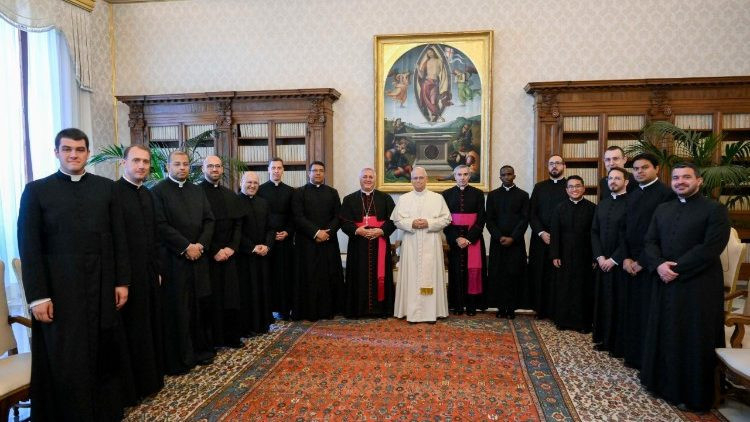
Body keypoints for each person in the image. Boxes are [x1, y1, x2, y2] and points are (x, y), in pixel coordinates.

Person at [18, 128, 132, 420]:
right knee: (66, 356)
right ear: (56, 152)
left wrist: (122, 281)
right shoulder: (36, 191)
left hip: (101, 286)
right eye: (67, 149)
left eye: (80, 149)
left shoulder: (106, 189)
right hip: (59, 291)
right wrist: (38, 296)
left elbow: (119, 237)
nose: (73, 155)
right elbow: (29, 246)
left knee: (103, 350)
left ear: (88, 153)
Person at [640, 163, 730, 412]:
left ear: (699, 181)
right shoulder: (663, 209)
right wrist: (659, 265)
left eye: (686, 177)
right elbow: (650, 241)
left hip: (697, 285)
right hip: (664, 281)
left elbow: (711, 247)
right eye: (676, 178)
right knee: (665, 331)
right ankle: (662, 384)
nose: (680, 181)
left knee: (692, 336)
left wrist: (675, 269)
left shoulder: (715, 209)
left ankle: (693, 394)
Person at [151, 150, 215, 374]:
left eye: (185, 164)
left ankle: (202, 351)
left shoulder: (197, 191)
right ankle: (182, 358)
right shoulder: (157, 191)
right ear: (168, 166)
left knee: (200, 306)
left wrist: (200, 245)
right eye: (177, 164)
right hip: (174, 260)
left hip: (199, 259)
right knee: (179, 309)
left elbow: (209, 220)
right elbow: (160, 225)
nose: (182, 168)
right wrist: (186, 247)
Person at [115, 144, 164, 400]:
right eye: (136, 161)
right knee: (132, 330)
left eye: (145, 161)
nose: (142, 166)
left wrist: (157, 269)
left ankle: (150, 381)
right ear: (124, 163)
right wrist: (120, 279)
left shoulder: (148, 194)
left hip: (148, 272)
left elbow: (155, 236)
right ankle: (131, 389)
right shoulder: (113, 194)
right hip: (125, 277)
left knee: (149, 326)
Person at [621, 153, 674, 369]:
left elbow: (663, 235)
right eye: (636, 169)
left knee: (648, 313)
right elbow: (624, 229)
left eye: (645, 167)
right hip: (630, 262)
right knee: (632, 311)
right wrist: (626, 257)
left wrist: (642, 261)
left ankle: (647, 359)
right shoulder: (632, 194)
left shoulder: (666, 194)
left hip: (651, 264)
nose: (640, 172)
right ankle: (633, 356)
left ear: (657, 169)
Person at [391, 167, 452, 323]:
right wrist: (411, 223)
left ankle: (431, 313)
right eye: (415, 178)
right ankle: (410, 312)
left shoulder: (437, 198)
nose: (418, 181)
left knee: (431, 275)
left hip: (431, 242)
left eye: (421, 178)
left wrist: (428, 223)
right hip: (410, 243)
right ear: (411, 180)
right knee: (411, 276)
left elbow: (446, 219)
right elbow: (396, 220)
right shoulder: (404, 199)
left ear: (426, 179)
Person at [198, 156, 243, 348]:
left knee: (231, 297)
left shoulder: (230, 195)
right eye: (210, 166)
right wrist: (215, 250)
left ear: (222, 170)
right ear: (203, 169)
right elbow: (199, 227)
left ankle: (231, 337)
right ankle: (213, 340)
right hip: (209, 256)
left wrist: (232, 247)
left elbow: (238, 225)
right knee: (212, 298)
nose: (214, 169)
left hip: (229, 254)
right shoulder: (196, 193)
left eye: (217, 166)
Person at [291, 161, 344, 321]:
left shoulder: (332, 192)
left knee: (328, 276)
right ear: (309, 173)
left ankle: (329, 310)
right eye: (315, 170)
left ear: (324, 173)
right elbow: (298, 217)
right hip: (307, 242)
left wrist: (327, 233)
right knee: (308, 276)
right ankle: (308, 311)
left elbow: (338, 216)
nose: (318, 173)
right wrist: (316, 232)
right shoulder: (299, 193)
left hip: (328, 241)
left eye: (321, 170)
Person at [340, 168, 397, 318]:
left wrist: (381, 231)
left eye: (371, 177)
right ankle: (358, 310)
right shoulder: (349, 199)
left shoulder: (385, 198)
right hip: (358, 245)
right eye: (364, 176)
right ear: (360, 179)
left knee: (380, 274)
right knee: (358, 275)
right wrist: (357, 230)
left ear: (375, 179)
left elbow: (394, 220)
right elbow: (344, 222)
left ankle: (381, 310)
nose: (368, 179)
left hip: (380, 243)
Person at [550, 175, 596, 332]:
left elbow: (595, 234)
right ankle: (563, 321)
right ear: (566, 190)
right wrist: (555, 255)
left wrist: (594, 257)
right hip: (564, 255)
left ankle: (583, 323)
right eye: (571, 186)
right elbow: (555, 233)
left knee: (582, 289)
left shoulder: (592, 208)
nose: (574, 189)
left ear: (583, 188)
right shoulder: (559, 208)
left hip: (585, 255)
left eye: (577, 186)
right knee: (564, 288)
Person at [591, 167, 629, 355]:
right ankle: (604, 339)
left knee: (619, 303)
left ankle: (618, 344)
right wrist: (599, 257)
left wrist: (614, 259)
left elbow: (631, 236)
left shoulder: (632, 203)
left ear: (626, 181)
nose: (613, 181)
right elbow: (594, 232)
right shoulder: (602, 204)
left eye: (617, 178)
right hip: (602, 262)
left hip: (620, 264)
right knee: (604, 302)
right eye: (610, 178)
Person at [485, 165, 529, 319]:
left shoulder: (523, 195)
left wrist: (513, 237)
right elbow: (489, 219)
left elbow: (524, 219)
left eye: (509, 174)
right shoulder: (493, 195)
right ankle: (500, 307)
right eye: (503, 175)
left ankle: (511, 308)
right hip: (498, 242)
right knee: (498, 274)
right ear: (500, 177)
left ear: (514, 176)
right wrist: (499, 236)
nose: (506, 177)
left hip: (516, 243)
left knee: (514, 274)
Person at [527, 155, 568, 318]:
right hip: (541, 239)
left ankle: (558, 310)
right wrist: (542, 233)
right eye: (551, 164)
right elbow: (532, 213)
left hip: (563, 240)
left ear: (564, 166)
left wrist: (557, 236)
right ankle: (540, 309)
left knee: (559, 275)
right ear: (547, 166)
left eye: (558, 163)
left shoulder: (570, 186)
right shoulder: (539, 187)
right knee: (540, 274)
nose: (554, 166)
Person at [442, 165, 486, 316]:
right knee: (456, 272)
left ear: (469, 176)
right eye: (459, 174)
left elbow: (481, 219)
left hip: (473, 240)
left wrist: (468, 238)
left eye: (465, 174)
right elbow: (445, 220)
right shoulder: (446, 194)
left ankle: (472, 306)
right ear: (454, 176)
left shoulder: (478, 194)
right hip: (455, 241)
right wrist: (457, 238)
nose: (462, 177)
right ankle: (457, 305)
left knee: (472, 273)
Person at [256, 158, 296, 320]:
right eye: (273, 168)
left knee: (285, 276)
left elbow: (294, 216)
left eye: (279, 168)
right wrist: (270, 235)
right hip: (266, 239)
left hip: (285, 240)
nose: (276, 171)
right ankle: (267, 311)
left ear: (283, 170)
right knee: (268, 276)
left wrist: (287, 232)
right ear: (268, 170)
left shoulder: (291, 191)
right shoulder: (260, 190)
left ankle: (284, 309)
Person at [237, 171, 275, 335]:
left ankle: (262, 324)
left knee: (263, 289)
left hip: (263, 255)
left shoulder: (263, 203)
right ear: (241, 182)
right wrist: (252, 247)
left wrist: (267, 245)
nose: (252, 186)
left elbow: (271, 228)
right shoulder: (235, 202)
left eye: (255, 183)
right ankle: (248, 327)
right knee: (247, 291)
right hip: (244, 256)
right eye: (249, 182)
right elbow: (235, 231)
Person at [416, 45, 451, 122]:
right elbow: (421, 76)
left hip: (435, 83)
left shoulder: (439, 61)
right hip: (426, 82)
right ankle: (433, 116)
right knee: (426, 99)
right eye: (428, 53)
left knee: (433, 100)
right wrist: (418, 69)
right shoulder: (426, 62)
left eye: (431, 52)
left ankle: (436, 115)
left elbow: (444, 73)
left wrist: (442, 85)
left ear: (434, 52)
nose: (430, 54)